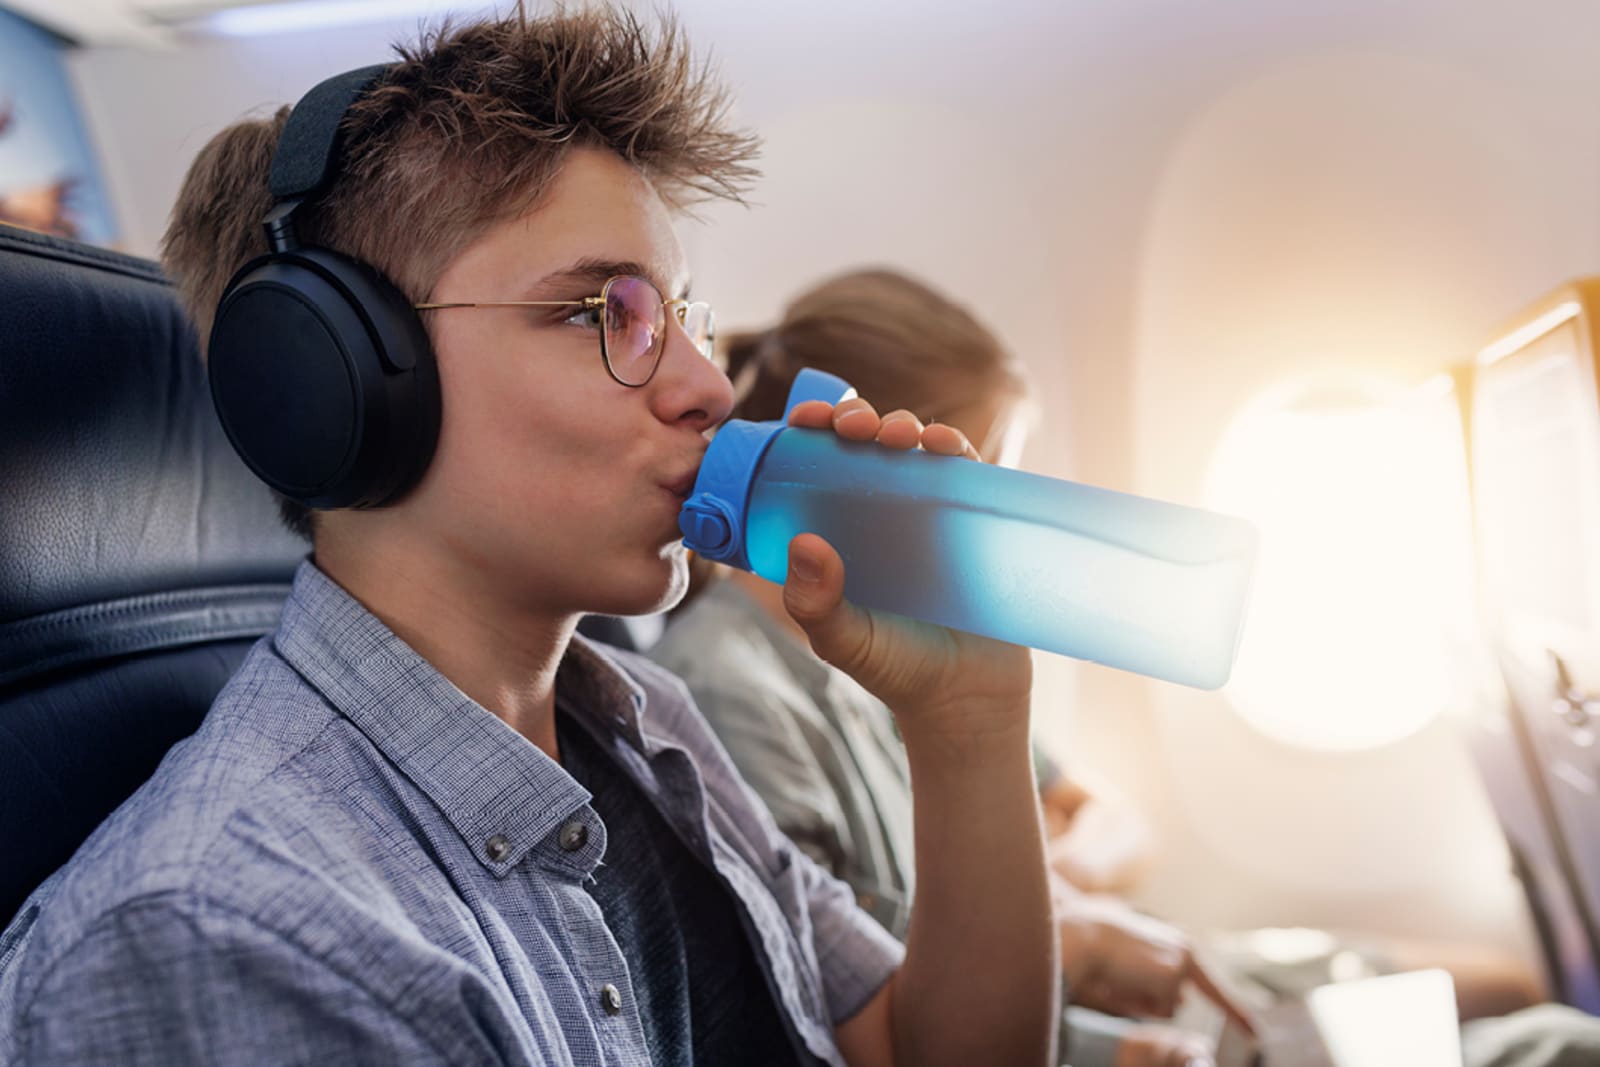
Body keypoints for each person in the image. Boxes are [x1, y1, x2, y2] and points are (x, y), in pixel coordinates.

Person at [0, 11, 1058, 1067]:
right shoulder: (230, 943)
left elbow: (912, 1042)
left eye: (680, 313)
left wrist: (966, 722)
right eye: (604, 311)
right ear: (334, 377)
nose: (702, 384)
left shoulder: (644, 727)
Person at [650, 267, 1245, 1067]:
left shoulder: (907, 648)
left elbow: (1114, 821)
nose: (994, 518)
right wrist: (1071, 945)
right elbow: (831, 1014)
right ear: (870, 470)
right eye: (982, 478)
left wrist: (1048, 879)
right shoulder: (725, 690)